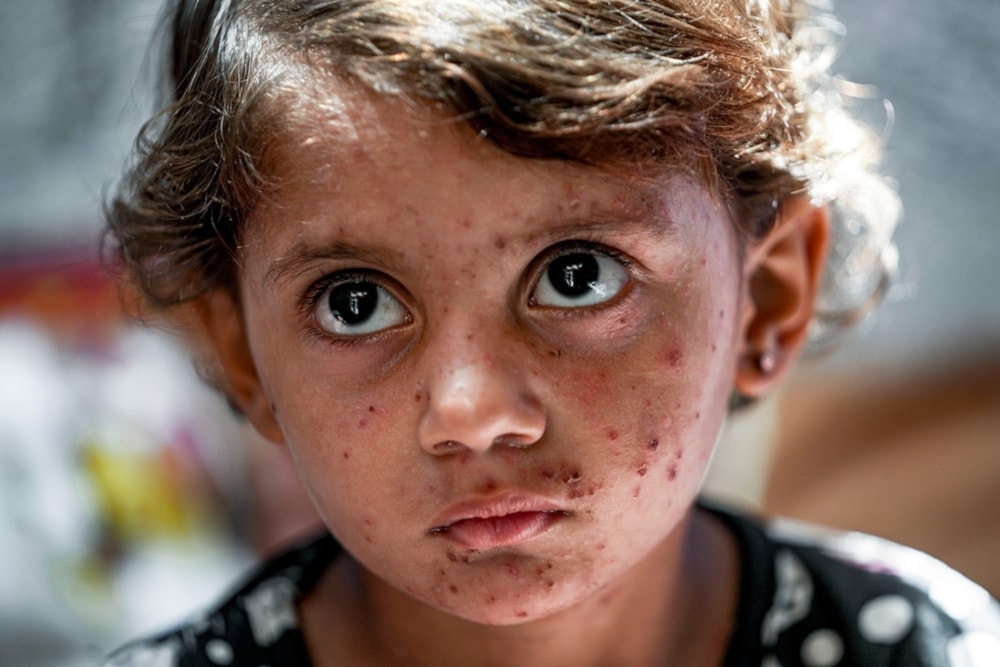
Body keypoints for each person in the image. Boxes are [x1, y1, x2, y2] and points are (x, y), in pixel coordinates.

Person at [103, 0, 1000, 665]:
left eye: (577, 277)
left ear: (766, 297)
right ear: (237, 352)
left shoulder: (930, 648)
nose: (473, 411)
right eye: (354, 302)